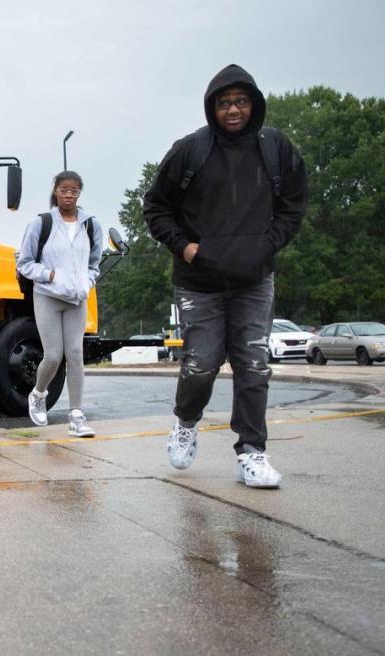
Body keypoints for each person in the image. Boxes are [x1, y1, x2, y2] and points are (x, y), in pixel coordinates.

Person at [143, 64, 307, 488]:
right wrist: (187, 248)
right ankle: (185, 421)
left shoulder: (276, 149)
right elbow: (155, 207)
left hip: (254, 279)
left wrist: (267, 244)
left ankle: (252, 453)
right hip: (200, 281)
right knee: (201, 365)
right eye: (224, 103)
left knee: (254, 367)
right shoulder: (190, 150)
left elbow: (293, 206)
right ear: (212, 106)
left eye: (241, 101)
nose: (233, 110)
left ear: (254, 104)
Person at [17, 171, 103, 435]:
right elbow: (24, 263)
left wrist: (86, 281)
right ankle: (39, 393)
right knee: (53, 355)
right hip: (47, 296)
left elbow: (94, 263)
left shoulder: (90, 224)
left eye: (74, 191)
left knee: (75, 355)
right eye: (64, 190)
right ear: (55, 191)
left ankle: (76, 416)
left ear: (80, 193)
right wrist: (49, 275)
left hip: (77, 299)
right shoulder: (40, 223)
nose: (68, 195)